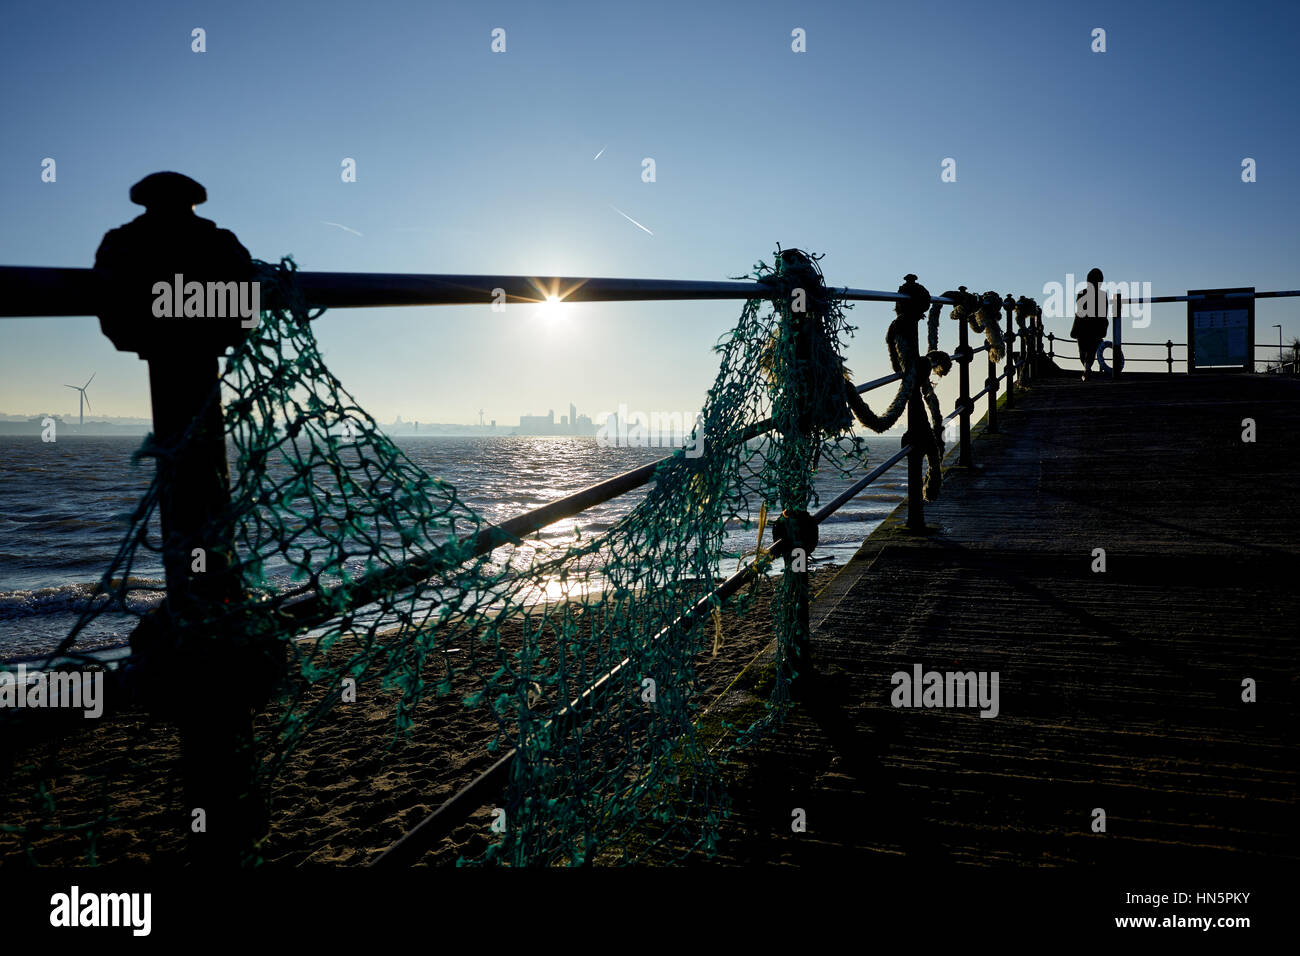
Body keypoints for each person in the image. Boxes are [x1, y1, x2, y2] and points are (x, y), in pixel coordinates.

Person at [1071, 267, 1108, 381]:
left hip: (1082, 326)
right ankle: (1087, 369)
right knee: (1091, 350)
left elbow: (1079, 310)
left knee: (1083, 350)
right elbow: (1104, 312)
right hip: (1096, 327)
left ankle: (1086, 369)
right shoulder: (1102, 294)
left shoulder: (1081, 293)